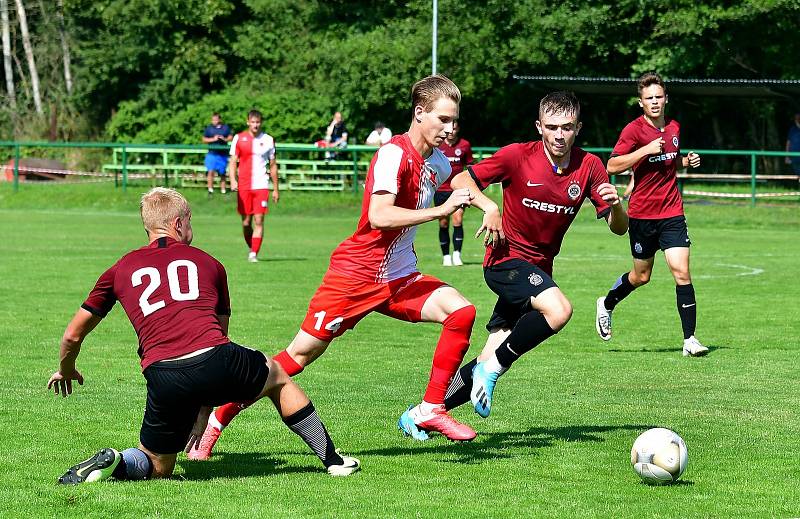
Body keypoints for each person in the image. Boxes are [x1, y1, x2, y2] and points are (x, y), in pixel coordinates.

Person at [189, 75, 479, 458]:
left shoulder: (437, 160)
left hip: (399, 277)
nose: (450, 128)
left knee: (461, 312)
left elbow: (461, 177)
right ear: (419, 113)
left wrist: (488, 207)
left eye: (454, 121)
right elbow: (378, 215)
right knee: (296, 359)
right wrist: (440, 210)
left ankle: (431, 408)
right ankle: (216, 421)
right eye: (443, 119)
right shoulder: (393, 154)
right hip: (355, 276)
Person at [47, 188, 359, 485]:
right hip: (213, 358)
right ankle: (332, 459)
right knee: (276, 374)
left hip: (162, 373)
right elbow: (218, 337)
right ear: (178, 224)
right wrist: (205, 404)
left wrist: (67, 368)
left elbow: (72, 335)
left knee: (158, 467)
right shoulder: (211, 263)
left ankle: (116, 461)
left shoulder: (120, 269)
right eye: (190, 221)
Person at [440, 91, 628, 418]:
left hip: (539, 271)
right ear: (539, 126)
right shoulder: (517, 156)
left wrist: (616, 205)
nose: (559, 134)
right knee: (559, 310)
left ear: (578, 128)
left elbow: (619, 228)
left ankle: (424, 412)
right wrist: (489, 206)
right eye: (552, 127)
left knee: (488, 355)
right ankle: (495, 368)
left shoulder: (590, 166)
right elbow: (458, 180)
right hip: (504, 262)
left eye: (567, 127)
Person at [594, 72, 707, 357]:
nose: (655, 102)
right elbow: (613, 164)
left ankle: (689, 340)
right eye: (649, 98)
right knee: (641, 276)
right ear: (640, 102)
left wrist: (685, 161)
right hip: (643, 216)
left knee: (681, 272)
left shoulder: (674, 127)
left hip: (672, 212)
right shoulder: (633, 131)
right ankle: (607, 303)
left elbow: (668, 163)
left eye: (659, 97)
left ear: (666, 99)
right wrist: (643, 149)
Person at [229, 110, 279, 263]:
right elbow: (233, 161)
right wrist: (233, 180)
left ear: (261, 123)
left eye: (258, 122)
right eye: (253, 122)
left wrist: (276, 188)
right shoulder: (239, 138)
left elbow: (273, 165)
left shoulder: (269, 140)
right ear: (248, 122)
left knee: (259, 220)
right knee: (246, 223)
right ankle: (253, 247)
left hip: (261, 186)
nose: (255, 125)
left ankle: (253, 253)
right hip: (244, 186)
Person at [435, 120, 474, 266]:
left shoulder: (464, 145)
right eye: (450, 129)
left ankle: (457, 254)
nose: (451, 131)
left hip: (458, 189)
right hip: (441, 190)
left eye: (455, 128)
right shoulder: (439, 145)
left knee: (458, 220)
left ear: (458, 129)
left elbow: (470, 166)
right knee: (444, 223)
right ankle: (446, 256)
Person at [202, 112, 233, 196]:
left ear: (219, 119)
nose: (214, 121)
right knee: (210, 171)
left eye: (216, 119)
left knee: (222, 173)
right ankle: (210, 190)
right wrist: (213, 139)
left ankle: (223, 190)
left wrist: (224, 139)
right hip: (212, 154)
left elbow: (231, 137)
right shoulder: (209, 128)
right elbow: (204, 139)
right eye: (213, 119)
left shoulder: (225, 128)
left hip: (222, 154)